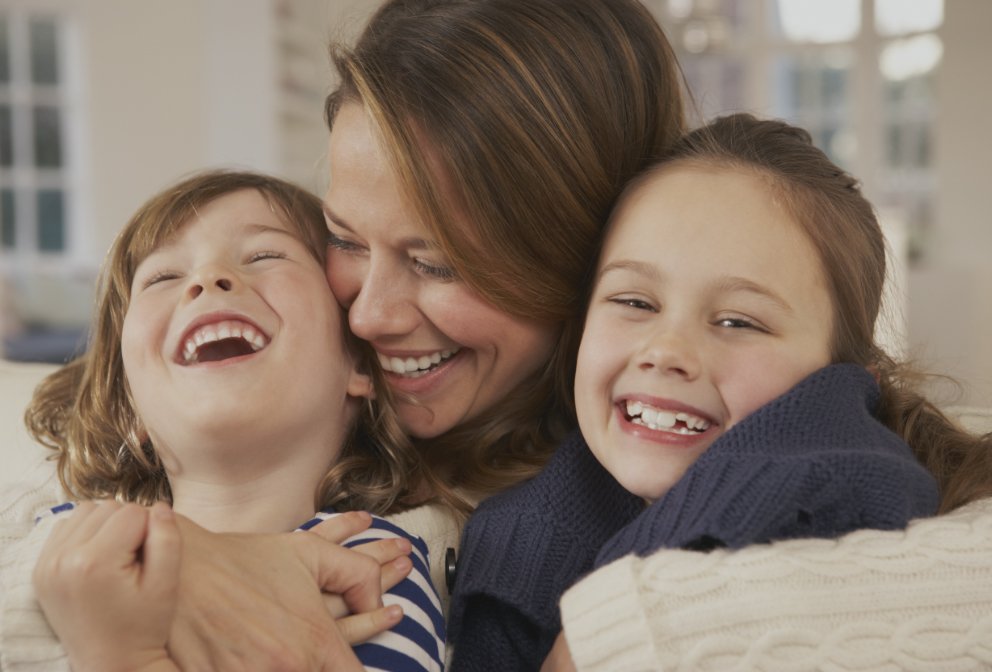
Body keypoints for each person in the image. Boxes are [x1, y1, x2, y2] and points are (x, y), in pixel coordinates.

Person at [3, 1, 990, 670]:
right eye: (344, 239)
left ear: (583, 270)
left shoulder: (630, 463)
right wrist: (192, 553)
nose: (370, 314)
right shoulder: (224, 399)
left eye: (437, 262)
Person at [445, 113, 966, 670]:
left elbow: (841, 467)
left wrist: (620, 622)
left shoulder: (856, 479)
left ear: (845, 386)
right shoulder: (515, 534)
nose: (666, 350)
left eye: (738, 322)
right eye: (635, 302)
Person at [25, 170, 445, 672]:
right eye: (163, 277)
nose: (209, 279)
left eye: (264, 255)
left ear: (358, 363)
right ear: (127, 405)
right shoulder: (60, 532)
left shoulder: (370, 562)